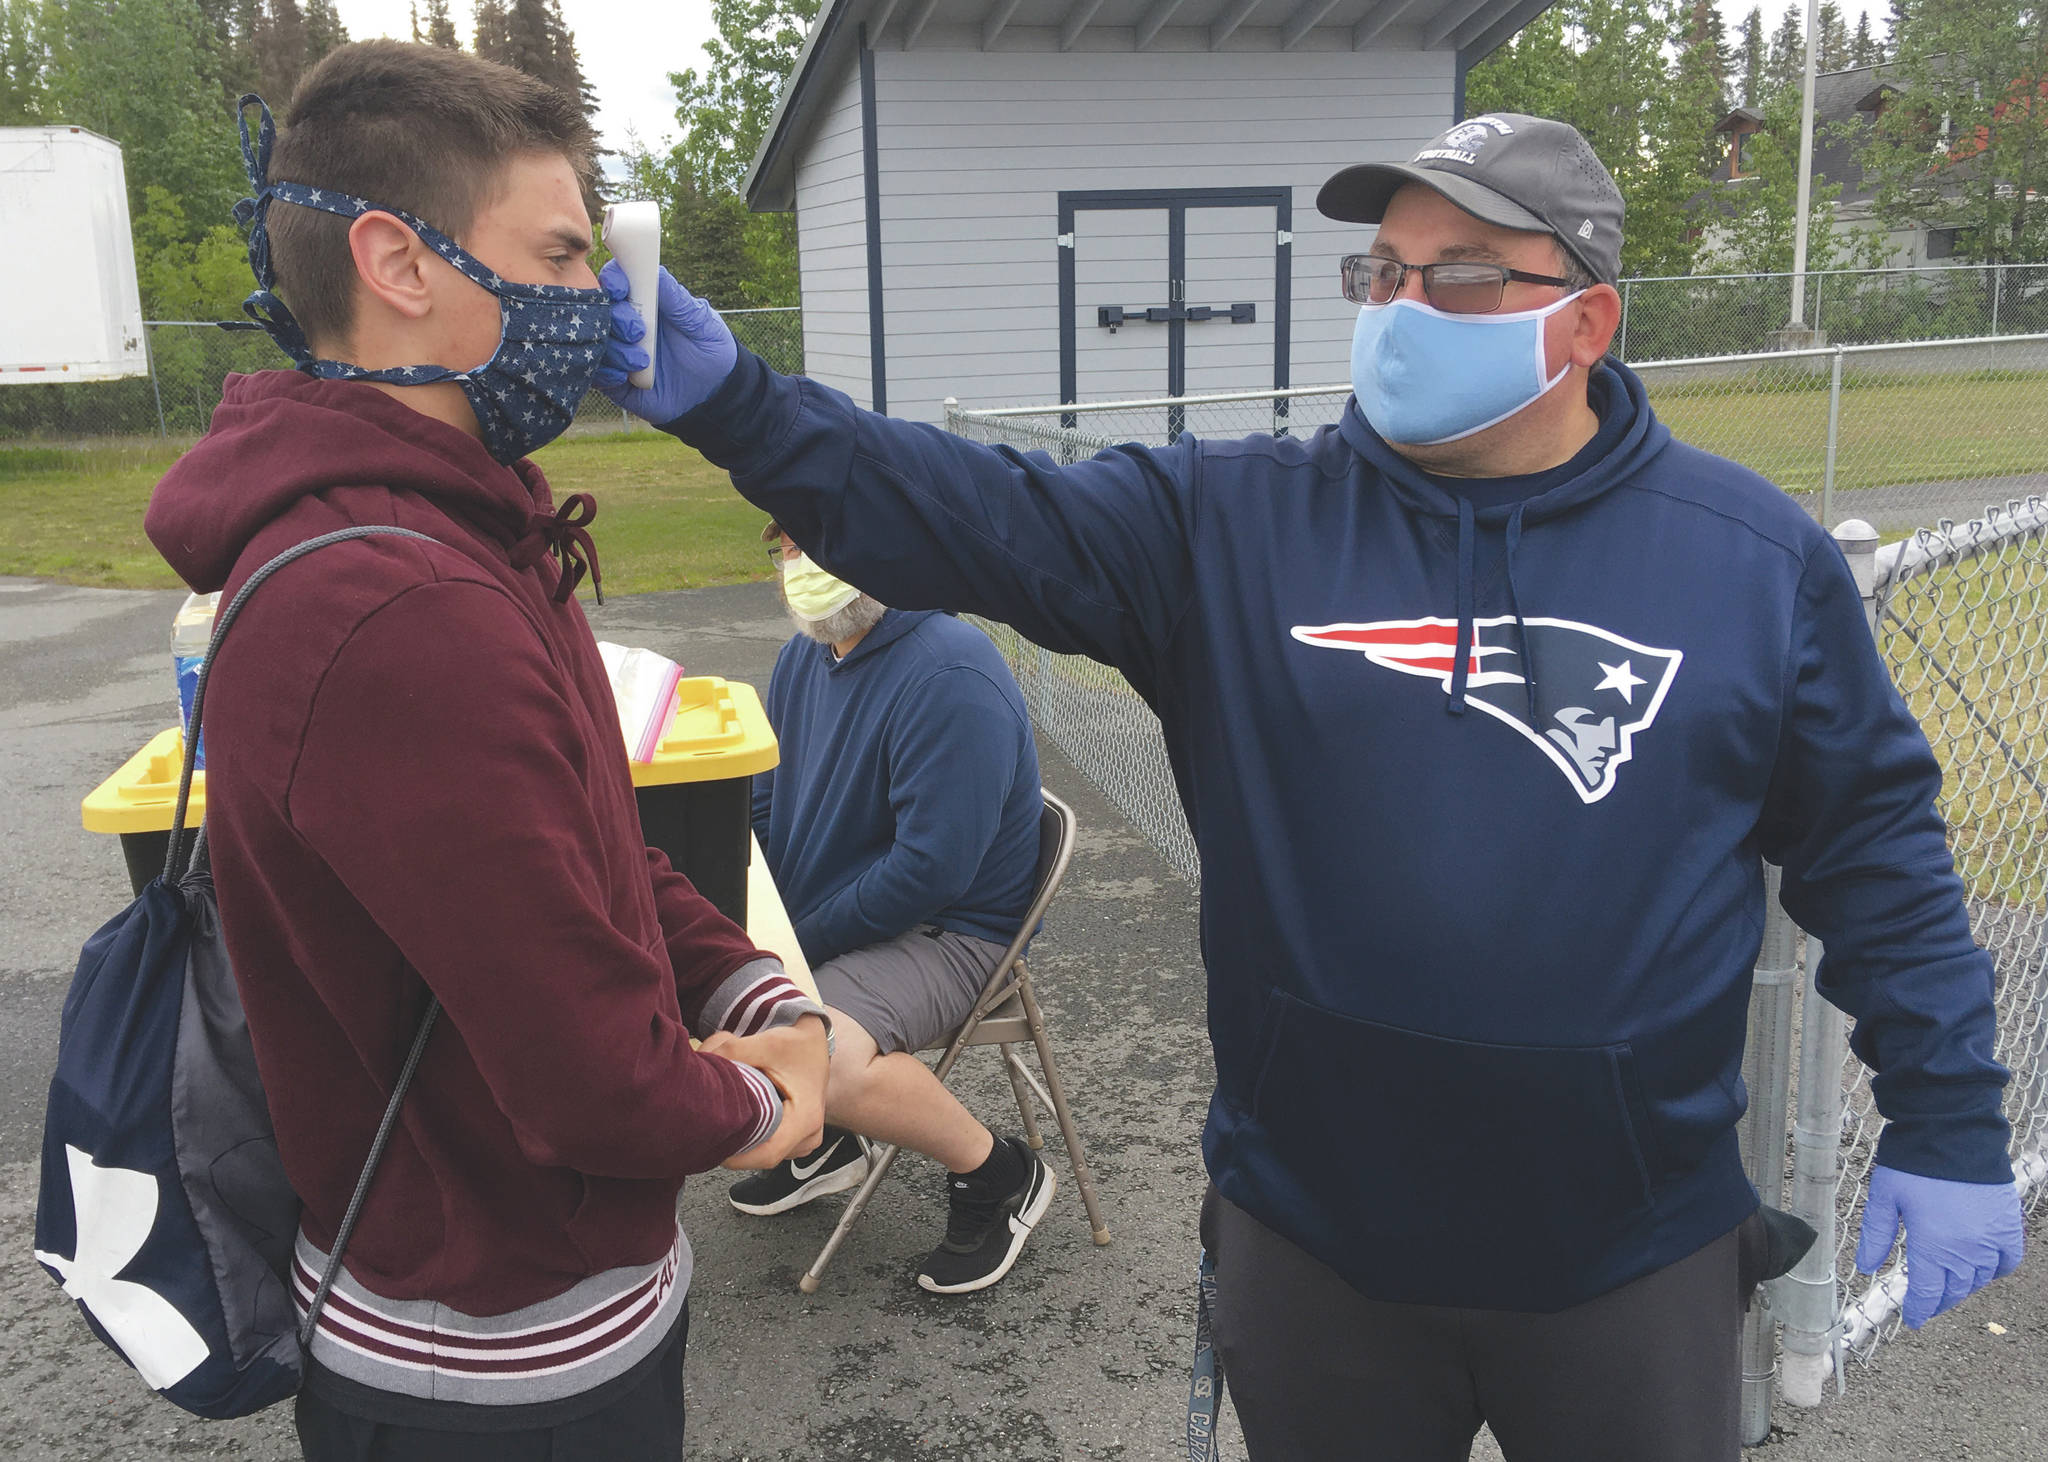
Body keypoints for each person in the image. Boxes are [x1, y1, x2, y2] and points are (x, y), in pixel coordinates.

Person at [595, 112, 2027, 1459]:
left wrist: (1951, 1114)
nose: (1399, 308)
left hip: (1628, 1256)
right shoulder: (1231, 524)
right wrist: (741, 406)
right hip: (1319, 1246)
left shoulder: (1746, 560)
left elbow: (1875, 845)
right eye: (1381, 269)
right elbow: (971, 512)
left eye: (1457, 277)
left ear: (1585, 320)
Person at [143, 41, 829, 1461]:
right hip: (494, 1366)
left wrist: (752, 984)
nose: (600, 303)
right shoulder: (402, 602)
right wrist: (777, 1092)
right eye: (565, 256)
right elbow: (590, 1072)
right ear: (399, 262)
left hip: (520, 1316)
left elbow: (592, 847)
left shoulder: (466, 524)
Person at [733, 522, 1054, 1293]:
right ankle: (829, 1146)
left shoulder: (949, 672)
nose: (801, 563)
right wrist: (752, 929)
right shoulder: (802, 659)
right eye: (784, 544)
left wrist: (797, 944)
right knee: (723, 993)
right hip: (851, 915)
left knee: (817, 1051)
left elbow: (929, 872)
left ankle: (999, 1172)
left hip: (954, 932)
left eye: (823, 538)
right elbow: (768, 806)